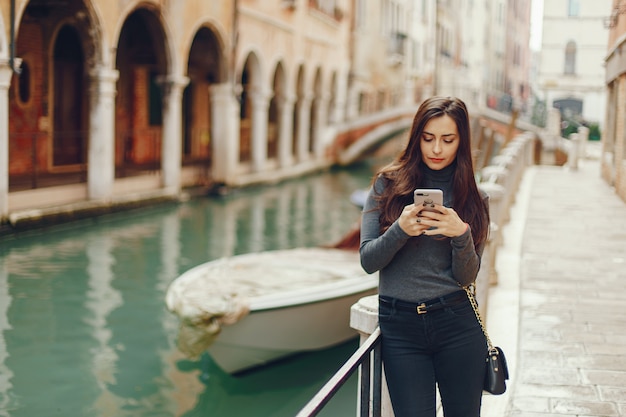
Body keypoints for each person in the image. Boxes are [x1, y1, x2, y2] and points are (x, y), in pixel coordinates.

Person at [359, 96, 490, 417]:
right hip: (400, 328)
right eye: (428, 138)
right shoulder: (385, 186)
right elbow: (368, 260)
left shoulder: (475, 199)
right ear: (416, 137)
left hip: (456, 323)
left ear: (461, 141)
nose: (436, 149)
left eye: (447, 140)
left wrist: (460, 234)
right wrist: (401, 228)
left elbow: (466, 277)